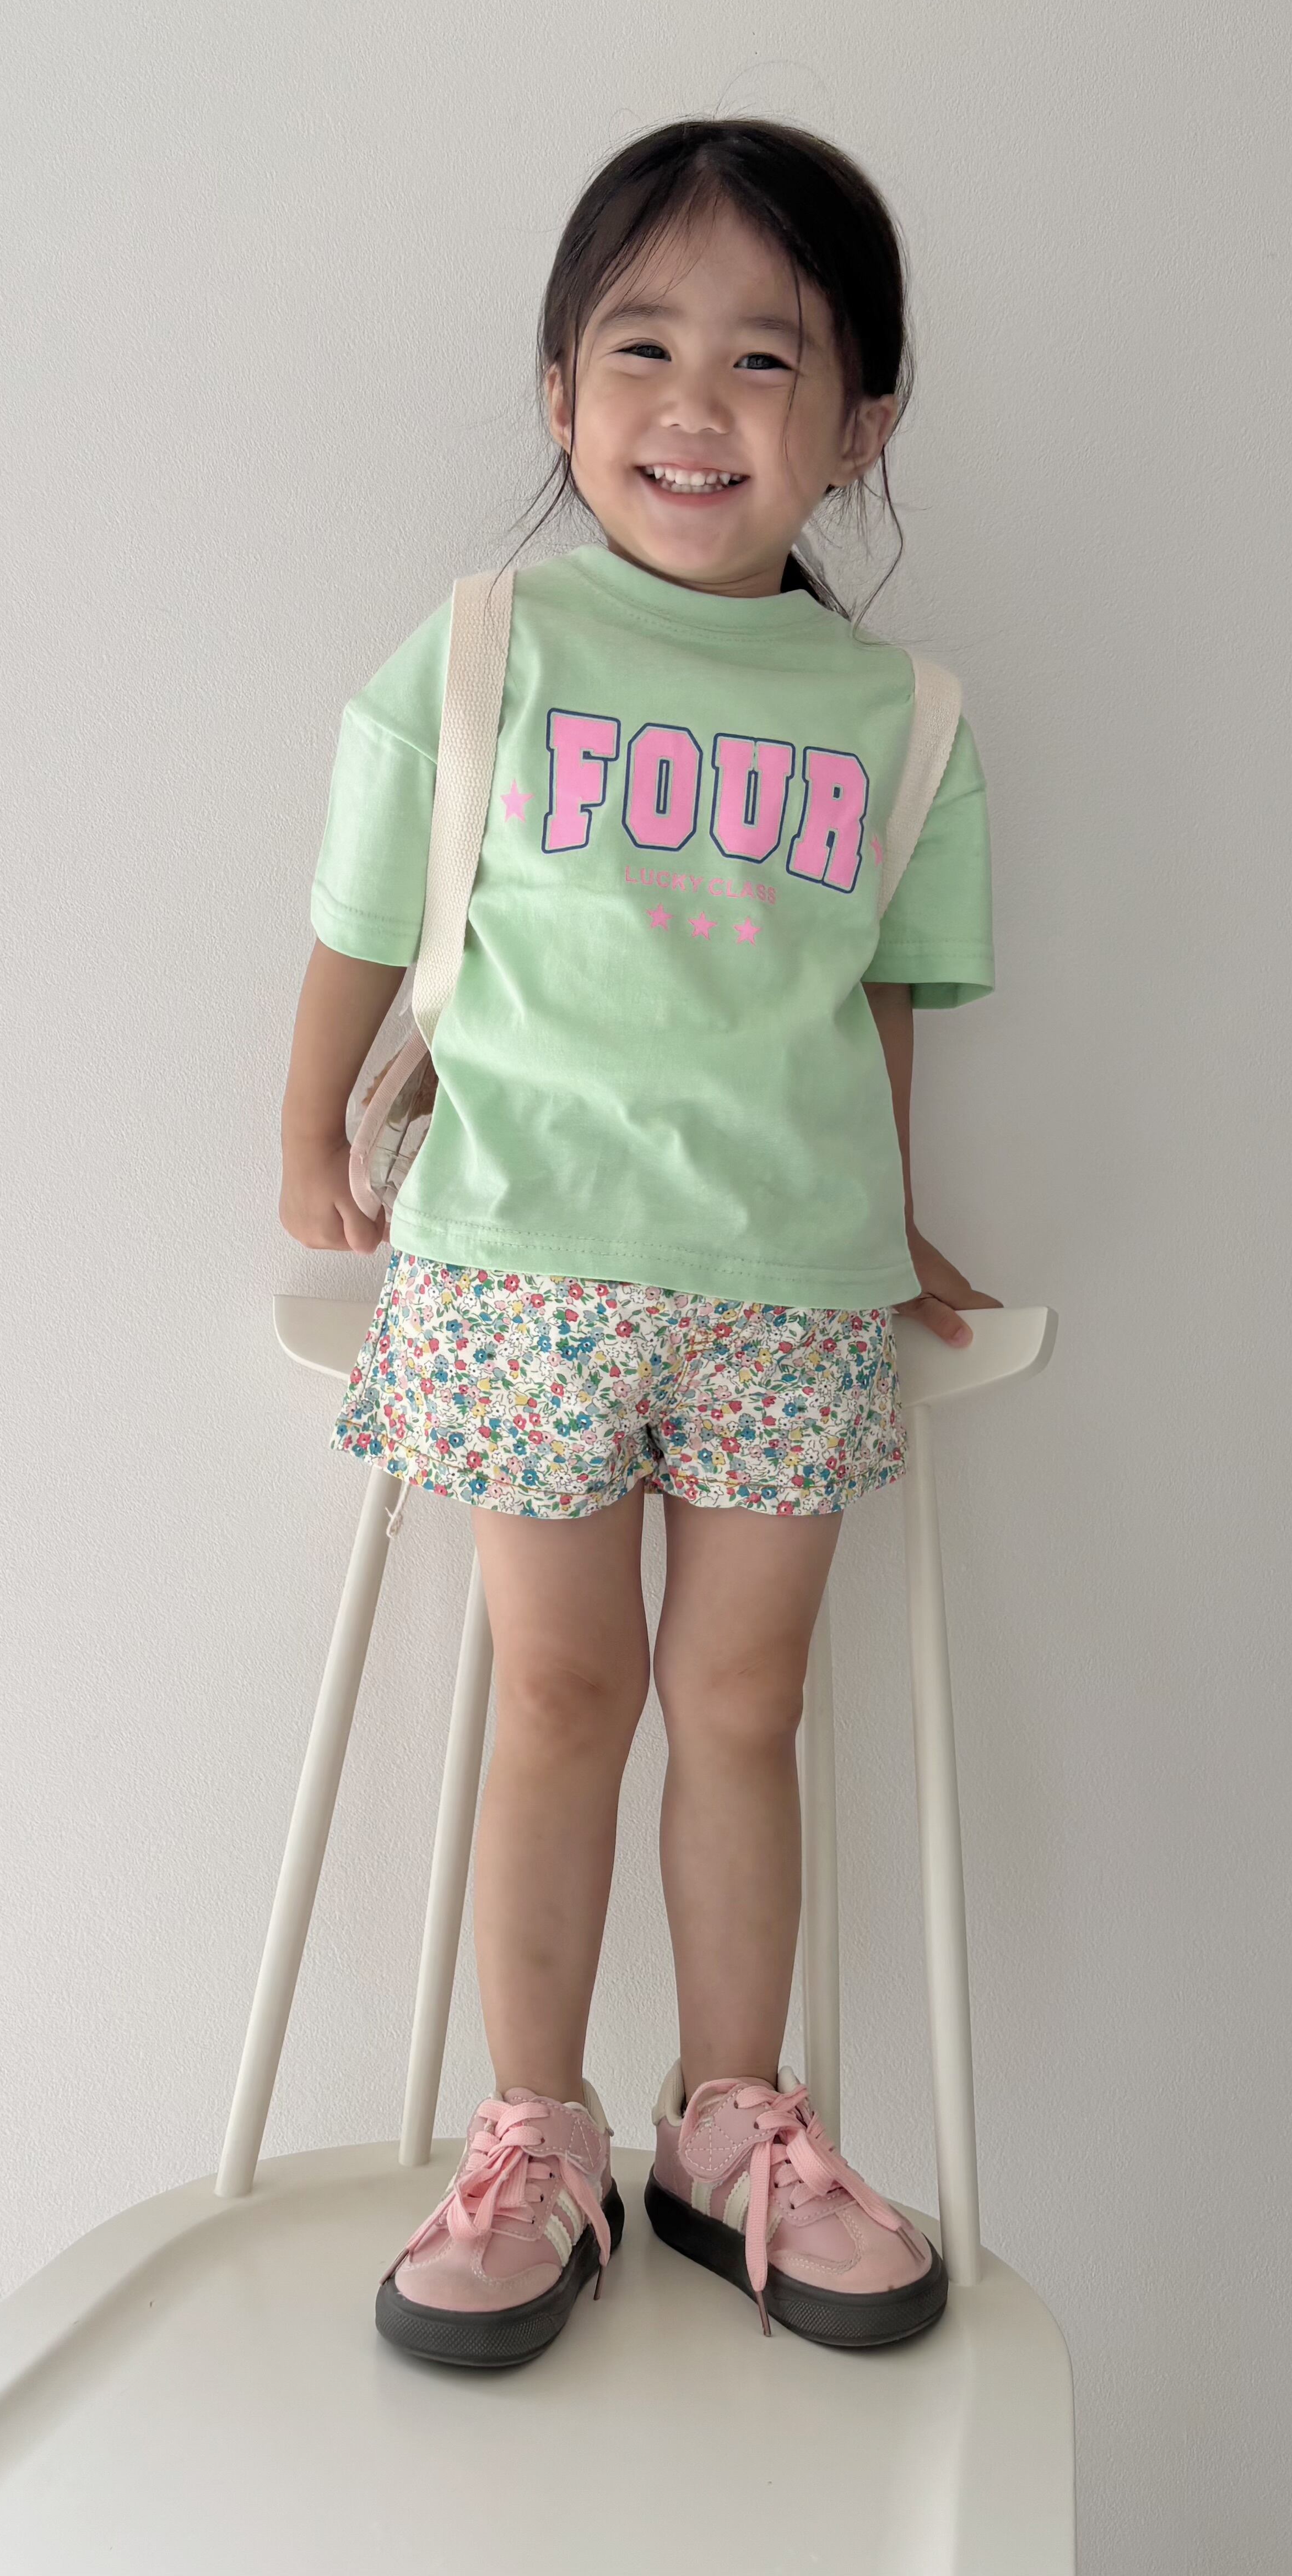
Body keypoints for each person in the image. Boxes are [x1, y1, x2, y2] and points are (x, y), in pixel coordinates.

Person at [280, 117, 998, 2369]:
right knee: (563, 1696)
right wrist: (305, 1130)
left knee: (745, 1705)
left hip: (787, 1287)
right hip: (519, 1264)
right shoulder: (485, 650)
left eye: (766, 358)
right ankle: (536, 2135)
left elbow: (879, 1000)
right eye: (641, 348)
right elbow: (363, 916)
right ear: (560, 393)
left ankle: (728, 2125)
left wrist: (894, 1214)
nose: (698, 404)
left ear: (861, 423)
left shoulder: (903, 720)